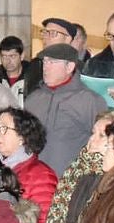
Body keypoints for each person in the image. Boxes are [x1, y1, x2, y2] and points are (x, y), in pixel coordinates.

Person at [25, 43, 107, 179]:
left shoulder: (90, 101)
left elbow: (102, 145)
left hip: (70, 183)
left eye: (52, 62)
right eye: (44, 61)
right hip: (33, 182)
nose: (46, 67)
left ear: (69, 67)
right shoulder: (33, 99)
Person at [21, 17, 77, 97]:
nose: (45, 37)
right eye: (45, 32)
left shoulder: (78, 68)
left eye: (53, 33)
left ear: (68, 39)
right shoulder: (35, 64)